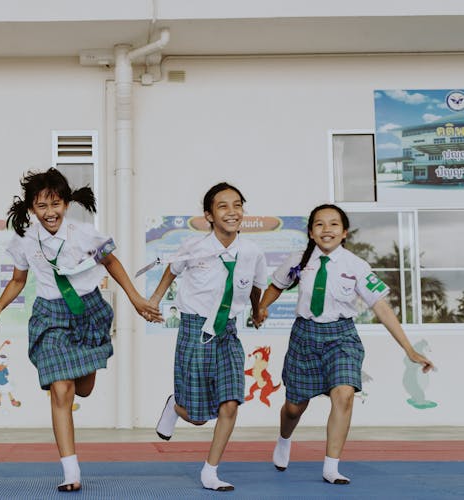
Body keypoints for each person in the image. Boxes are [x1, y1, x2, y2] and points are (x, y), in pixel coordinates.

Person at [0, 168, 162, 492]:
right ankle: (71, 471)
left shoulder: (85, 234)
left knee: (84, 388)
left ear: (65, 203)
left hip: (87, 311)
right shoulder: (24, 239)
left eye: (55, 204)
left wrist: (135, 299)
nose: (50, 212)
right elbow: (18, 281)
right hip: (50, 314)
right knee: (61, 389)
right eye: (41, 206)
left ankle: (72, 374)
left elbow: (112, 263)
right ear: (31, 209)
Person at [256, 203, 434, 485]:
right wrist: (262, 308)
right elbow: (277, 285)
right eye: (319, 224)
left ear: (344, 232)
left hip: (342, 337)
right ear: (311, 233)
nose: (327, 229)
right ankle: (284, 439)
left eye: (334, 224)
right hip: (304, 336)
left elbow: (382, 308)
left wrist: (409, 349)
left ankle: (331, 466)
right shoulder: (298, 260)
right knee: (294, 407)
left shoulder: (357, 266)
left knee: (345, 394)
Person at [150, 182, 266, 492]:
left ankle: (210, 471)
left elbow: (255, 285)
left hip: (227, 330)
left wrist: (257, 311)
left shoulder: (252, 251)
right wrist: (154, 300)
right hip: (195, 328)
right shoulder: (193, 246)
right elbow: (171, 271)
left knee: (230, 402)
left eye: (237, 204)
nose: (232, 211)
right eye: (223, 206)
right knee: (198, 417)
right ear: (209, 215)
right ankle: (177, 405)